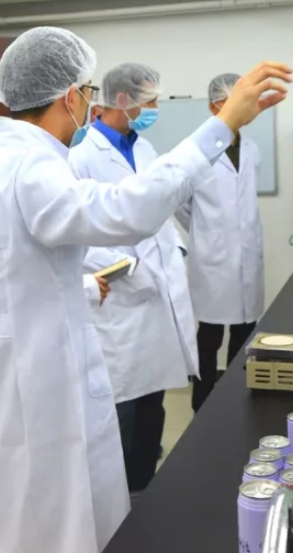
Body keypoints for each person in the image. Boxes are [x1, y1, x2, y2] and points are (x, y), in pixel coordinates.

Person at [0, 26, 291, 553]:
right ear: (70, 96)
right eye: (88, 91)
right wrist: (221, 126)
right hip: (37, 395)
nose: (90, 101)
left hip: (7, 388)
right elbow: (126, 210)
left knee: (23, 517)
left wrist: (82, 288)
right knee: (52, 524)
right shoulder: (28, 166)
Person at [0, 120, 109, 551]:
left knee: (36, 501)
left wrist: (86, 288)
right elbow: (5, 298)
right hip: (3, 387)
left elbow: (28, 284)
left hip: (18, 381)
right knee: (15, 501)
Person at [68, 62, 197, 495]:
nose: (155, 108)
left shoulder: (145, 149)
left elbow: (157, 208)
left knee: (151, 407)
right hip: (118, 300)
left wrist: (176, 247)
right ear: (121, 100)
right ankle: (117, 506)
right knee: (120, 410)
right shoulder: (80, 158)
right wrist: (129, 268)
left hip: (155, 301)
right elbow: (76, 232)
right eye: (149, 101)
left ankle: (144, 494)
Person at [178, 73, 267, 413]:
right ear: (214, 106)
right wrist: (207, 230)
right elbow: (179, 202)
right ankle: (202, 404)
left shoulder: (252, 148)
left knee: (245, 332)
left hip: (247, 255)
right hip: (213, 258)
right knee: (210, 334)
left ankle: (235, 401)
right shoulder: (197, 150)